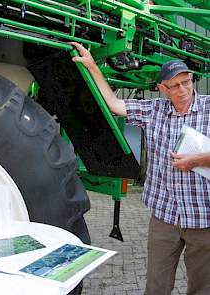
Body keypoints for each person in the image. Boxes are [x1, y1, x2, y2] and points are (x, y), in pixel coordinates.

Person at [71, 42, 210, 295]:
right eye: (174, 86)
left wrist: (199, 160)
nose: (183, 90)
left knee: (202, 287)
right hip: (164, 216)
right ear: (162, 89)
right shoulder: (154, 110)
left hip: (203, 218)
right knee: (156, 286)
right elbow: (114, 104)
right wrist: (93, 67)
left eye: (186, 82)